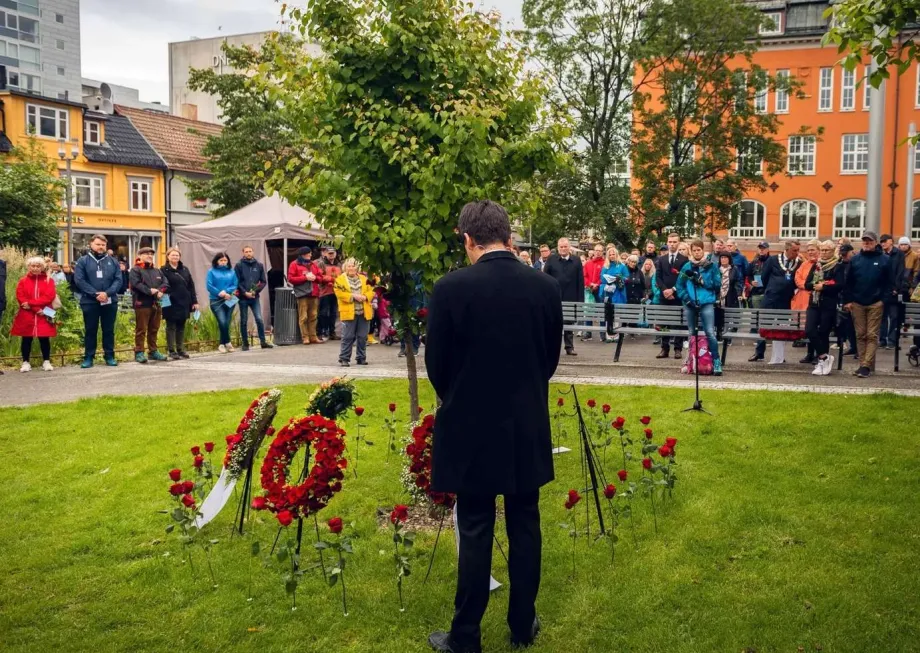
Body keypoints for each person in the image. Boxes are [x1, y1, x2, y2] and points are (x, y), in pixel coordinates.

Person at [426, 200, 561, 653]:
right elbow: (548, 359)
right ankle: (522, 624)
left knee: (475, 527)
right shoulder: (544, 287)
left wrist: (461, 396)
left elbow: (437, 365)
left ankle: (465, 636)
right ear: (508, 236)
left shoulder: (450, 288)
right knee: (525, 523)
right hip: (525, 422)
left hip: (471, 425)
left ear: (468, 239)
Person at [844, 231, 894, 378]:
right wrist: (848, 300)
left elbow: (889, 283)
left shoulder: (885, 260)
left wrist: (883, 300)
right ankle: (863, 364)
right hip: (857, 303)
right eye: (865, 241)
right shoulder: (855, 259)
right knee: (860, 335)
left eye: (870, 241)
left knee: (872, 335)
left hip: (876, 303)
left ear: (875, 242)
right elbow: (848, 282)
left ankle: (866, 365)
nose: (867, 243)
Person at [73, 235, 122, 368]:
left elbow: (118, 280)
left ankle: (109, 356)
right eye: (98, 244)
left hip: (109, 301)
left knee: (108, 330)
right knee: (90, 330)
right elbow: (79, 280)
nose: (101, 247)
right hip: (90, 301)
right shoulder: (83, 261)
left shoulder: (113, 261)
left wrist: (107, 293)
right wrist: (95, 294)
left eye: (103, 245)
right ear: (91, 244)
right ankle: (89, 357)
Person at [749, 240, 802, 364]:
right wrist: (772, 288)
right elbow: (764, 277)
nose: (797, 253)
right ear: (787, 249)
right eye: (794, 250)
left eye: (798, 250)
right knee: (765, 324)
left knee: (782, 328)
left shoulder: (798, 263)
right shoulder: (773, 260)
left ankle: (779, 356)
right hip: (771, 299)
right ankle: (759, 352)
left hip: (786, 300)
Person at [676, 241, 723, 375]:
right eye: (694, 250)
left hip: (706, 302)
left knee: (710, 332)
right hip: (690, 302)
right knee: (691, 332)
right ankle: (690, 360)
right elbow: (679, 286)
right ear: (691, 252)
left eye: (699, 250)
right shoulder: (687, 266)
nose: (697, 252)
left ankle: (716, 361)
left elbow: (717, 285)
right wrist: (686, 299)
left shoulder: (711, 266)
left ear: (703, 250)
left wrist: (703, 281)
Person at [804, 241, 845, 376]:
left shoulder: (837, 266)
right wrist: (816, 285)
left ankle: (822, 362)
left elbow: (840, 285)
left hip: (828, 303)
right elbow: (807, 284)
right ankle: (824, 357)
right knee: (809, 329)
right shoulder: (817, 265)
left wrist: (824, 287)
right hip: (814, 302)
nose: (824, 253)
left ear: (833, 251)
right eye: (822, 250)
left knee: (823, 332)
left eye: (827, 250)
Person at [11, 257, 57, 372]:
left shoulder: (49, 280)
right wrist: (36, 309)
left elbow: (49, 297)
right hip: (28, 313)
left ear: (42, 267)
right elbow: (20, 297)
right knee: (26, 338)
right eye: (33, 266)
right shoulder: (23, 281)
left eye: (38, 266)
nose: (35, 268)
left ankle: (46, 361)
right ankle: (25, 362)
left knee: (44, 337)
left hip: (45, 312)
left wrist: (31, 304)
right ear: (29, 267)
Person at [543, 237, 584, 356]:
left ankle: (569, 347)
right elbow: (545, 278)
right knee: (553, 324)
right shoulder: (551, 259)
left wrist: (580, 300)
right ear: (558, 248)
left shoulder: (576, 260)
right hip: (554, 297)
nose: (563, 249)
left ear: (569, 247)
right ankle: (552, 348)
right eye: (561, 247)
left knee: (568, 324)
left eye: (565, 246)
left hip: (571, 297)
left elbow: (580, 281)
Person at [129, 248, 169, 364]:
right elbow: (136, 284)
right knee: (141, 329)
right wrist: (149, 290)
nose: (150, 256)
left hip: (156, 303)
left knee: (154, 328)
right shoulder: (135, 270)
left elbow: (165, 283)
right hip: (142, 303)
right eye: (146, 254)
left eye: (151, 254)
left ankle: (153, 351)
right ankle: (139, 352)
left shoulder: (157, 270)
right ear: (140, 256)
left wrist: (161, 290)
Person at [333, 258, 373, 367]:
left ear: (357, 268)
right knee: (347, 337)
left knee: (362, 336)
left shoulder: (364, 278)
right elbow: (339, 294)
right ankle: (344, 358)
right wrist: (353, 296)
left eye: (353, 266)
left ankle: (361, 358)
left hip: (364, 312)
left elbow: (371, 291)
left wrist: (365, 297)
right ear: (345, 267)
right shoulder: (340, 280)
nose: (351, 268)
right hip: (349, 313)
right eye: (349, 266)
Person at [160, 247, 198, 360]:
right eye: (173, 255)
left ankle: (180, 349)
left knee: (181, 326)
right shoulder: (163, 270)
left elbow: (191, 285)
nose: (175, 257)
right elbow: (162, 285)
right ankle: (171, 350)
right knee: (171, 326)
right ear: (168, 256)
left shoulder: (185, 269)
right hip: (170, 301)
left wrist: (195, 301)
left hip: (184, 301)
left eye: (177, 255)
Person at [655, 233, 688, 359]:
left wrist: (673, 290)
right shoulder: (661, 259)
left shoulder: (684, 260)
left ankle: (678, 348)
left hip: (677, 295)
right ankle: (664, 348)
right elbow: (658, 277)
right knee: (664, 322)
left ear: (678, 243)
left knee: (678, 322)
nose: (672, 244)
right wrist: (664, 290)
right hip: (664, 296)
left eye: (674, 242)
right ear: (667, 242)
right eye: (670, 242)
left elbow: (683, 278)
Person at [234, 246, 273, 351]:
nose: (248, 253)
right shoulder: (239, 265)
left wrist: (256, 291)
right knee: (244, 320)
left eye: (250, 251)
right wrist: (244, 292)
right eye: (246, 251)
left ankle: (263, 342)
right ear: (243, 253)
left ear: (253, 252)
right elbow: (236, 282)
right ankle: (245, 343)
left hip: (254, 297)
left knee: (259, 319)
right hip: (243, 298)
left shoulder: (259, 265)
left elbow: (263, 281)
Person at [792, 240, 820, 365]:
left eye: (812, 250)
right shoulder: (804, 264)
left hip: (815, 299)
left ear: (818, 250)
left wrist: (808, 286)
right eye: (808, 250)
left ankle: (818, 353)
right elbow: (797, 278)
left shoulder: (821, 264)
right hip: (802, 299)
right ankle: (809, 353)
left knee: (815, 328)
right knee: (808, 327)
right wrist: (806, 285)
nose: (810, 252)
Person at [288, 247, 322, 345]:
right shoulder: (294, 264)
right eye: (309, 253)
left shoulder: (313, 264)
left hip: (314, 293)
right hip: (302, 294)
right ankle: (305, 337)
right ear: (303, 254)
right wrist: (305, 277)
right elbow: (291, 279)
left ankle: (313, 337)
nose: (311, 255)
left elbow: (320, 277)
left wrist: (315, 278)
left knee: (313, 316)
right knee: (303, 317)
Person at [206, 252, 239, 354]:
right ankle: (227, 342)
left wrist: (227, 292)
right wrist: (220, 293)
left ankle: (222, 344)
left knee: (226, 323)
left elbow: (235, 284)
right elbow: (209, 286)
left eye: (225, 260)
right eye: (221, 260)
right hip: (216, 300)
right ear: (217, 261)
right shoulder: (211, 272)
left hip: (230, 299)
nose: (223, 262)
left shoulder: (232, 272)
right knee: (222, 321)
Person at [878, 234, 905, 349]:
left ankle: (892, 341)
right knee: (882, 316)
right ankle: (882, 339)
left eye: (885, 241)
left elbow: (900, 272)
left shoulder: (899, 254)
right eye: (881, 242)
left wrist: (896, 288)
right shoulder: (880, 253)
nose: (883, 243)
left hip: (894, 290)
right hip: (882, 290)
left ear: (891, 241)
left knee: (894, 316)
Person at [836, 243, 858, 357]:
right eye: (842, 254)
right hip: (842, 297)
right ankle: (853, 347)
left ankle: (859, 349)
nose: (844, 256)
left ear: (851, 252)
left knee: (857, 325)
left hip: (854, 298)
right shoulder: (839, 264)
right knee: (847, 325)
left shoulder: (855, 264)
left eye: (846, 254)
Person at [316, 247, 342, 340]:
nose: (331, 255)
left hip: (336, 292)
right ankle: (319, 332)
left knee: (333, 313)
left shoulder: (339, 264)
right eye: (329, 253)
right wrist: (330, 279)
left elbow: (342, 276)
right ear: (325, 254)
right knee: (323, 313)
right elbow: (318, 276)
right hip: (324, 291)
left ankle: (332, 333)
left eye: (332, 253)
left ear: (335, 253)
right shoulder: (321, 263)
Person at [582, 244, 605, 341]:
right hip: (589, 289)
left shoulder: (605, 263)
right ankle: (588, 332)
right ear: (593, 251)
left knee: (601, 311)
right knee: (589, 311)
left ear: (603, 252)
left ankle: (602, 333)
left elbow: (604, 276)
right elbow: (584, 276)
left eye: (600, 250)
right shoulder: (588, 263)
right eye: (596, 250)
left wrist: (597, 284)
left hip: (600, 290)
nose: (598, 252)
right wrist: (589, 284)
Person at [747, 242, 771, 308]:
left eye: (763, 248)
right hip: (756, 292)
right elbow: (749, 275)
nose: (761, 250)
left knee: (767, 313)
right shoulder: (754, 262)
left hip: (768, 293)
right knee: (756, 313)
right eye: (760, 248)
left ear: (768, 249)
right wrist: (751, 282)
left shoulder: (772, 261)